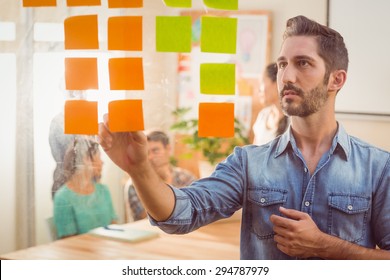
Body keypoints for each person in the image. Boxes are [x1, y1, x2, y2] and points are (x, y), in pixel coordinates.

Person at [98, 15, 390, 259]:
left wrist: (326, 247)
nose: (286, 76)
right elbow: (181, 215)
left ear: (336, 79)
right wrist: (138, 169)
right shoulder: (248, 162)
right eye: (282, 65)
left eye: (302, 63)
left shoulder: (378, 168)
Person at [53, 136, 117, 238]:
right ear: (86, 159)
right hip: (80, 252)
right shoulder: (63, 198)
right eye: (99, 157)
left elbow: (114, 226)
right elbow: (69, 241)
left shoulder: (103, 190)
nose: (102, 162)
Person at [126, 130, 197, 221]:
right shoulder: (135, 183)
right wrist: (167, 181)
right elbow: (146, 219)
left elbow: (195, 212)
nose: (150, 157)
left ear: (168, 149)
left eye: (155, 150)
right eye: (146, 153)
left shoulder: (186, 177)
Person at [252, 62, 289, 145]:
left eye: (261, 82)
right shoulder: (262, 116)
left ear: (276, 84)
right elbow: (253, 154)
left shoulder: (293, 121)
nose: (259, 90)